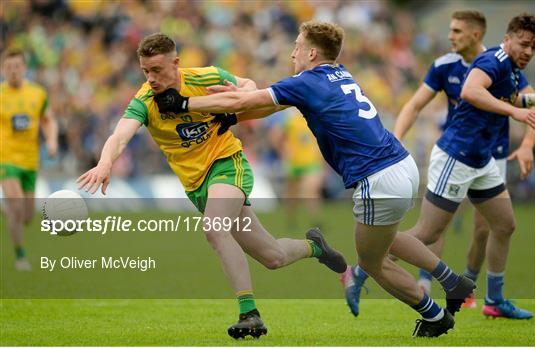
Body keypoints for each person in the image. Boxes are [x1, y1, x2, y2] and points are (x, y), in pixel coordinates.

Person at [153, 21, 477, 337]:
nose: (292, 53)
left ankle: (435, 316)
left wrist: (184, 103)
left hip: (377, 178)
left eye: (296, 47)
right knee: (386, 238)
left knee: (372, 262)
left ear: (311, 54)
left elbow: (244, 99)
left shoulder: (307, 82)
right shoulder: (337, 74)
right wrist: (232, 114)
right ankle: (452, 281)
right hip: (402, 165)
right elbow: (268, 106)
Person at [77, 32, 347, 339]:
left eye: (157, 70)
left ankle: (250, 314)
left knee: (214, 227)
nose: (151, 78)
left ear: (176, 63)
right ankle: (315, 247)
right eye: (145, 71)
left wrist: (236, 95)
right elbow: (119, 135)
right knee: (273, 257)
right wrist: (105, 162)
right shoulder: (145, 101)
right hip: (196, 186)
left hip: (227, 164)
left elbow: (248, 88)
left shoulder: (205, 77)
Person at [344, 10, 535, 315]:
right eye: (524, 44)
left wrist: (529, 106)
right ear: (506, 39)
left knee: (504, 224)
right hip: (456, 157)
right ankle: (362, 269)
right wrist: (516, 113)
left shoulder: (511, 67)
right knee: (427, 234)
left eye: (534, 47)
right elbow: (471, 91)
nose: (528, 51)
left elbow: (514, 98)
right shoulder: (492, 61)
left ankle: (494, 301)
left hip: (482, 158)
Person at [0, 49, 58, 271]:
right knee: (15, 205)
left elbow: (48, 119)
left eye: (17, 67)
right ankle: (20, 255)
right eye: (8, 67)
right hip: (5, 158)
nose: (13, 71)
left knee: (26, 215)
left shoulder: (37, 94)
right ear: (4, 69)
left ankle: (7, 210)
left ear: (24, 69)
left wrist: (51, 141)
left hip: (30, 160)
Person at [267, 108, 325, 228]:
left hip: (311, 161)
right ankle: (291, 219)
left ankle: (316, 220)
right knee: (292, 193)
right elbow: (274, 135)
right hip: (294, 162)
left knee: (311, 190)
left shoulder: (314, 114)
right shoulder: (289, 116)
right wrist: (283, 151)